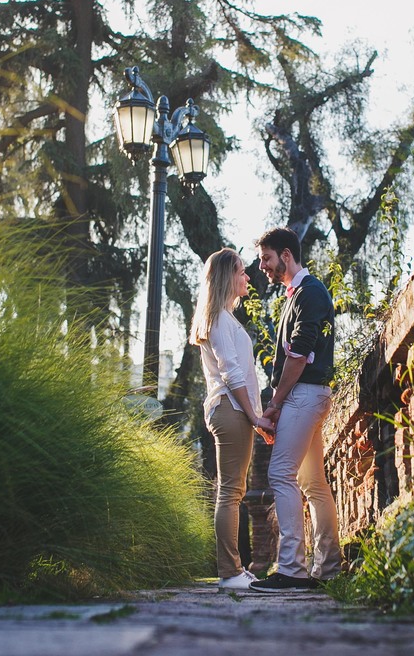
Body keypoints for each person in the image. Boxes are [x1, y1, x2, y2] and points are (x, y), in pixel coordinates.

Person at [248, 227, 342, 592]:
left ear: (286, 255)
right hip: (307, 395)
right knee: (312, 482)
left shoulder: (310, 292)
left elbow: (299, 355)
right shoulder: (297, 294)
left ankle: (291, 569)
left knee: (280, 473)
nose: (262, 266)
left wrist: (274, 405)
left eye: (266, 259)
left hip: (304, 395)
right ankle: (328, 568)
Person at [190, 247, 276, 593]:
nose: (247, 276)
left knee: (234, 490)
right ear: (228, 276)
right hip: (230, 409)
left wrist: (255, 416)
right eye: (241, 271)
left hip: (233, 409)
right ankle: (230, 573)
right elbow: (232, 373)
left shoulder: (224, 318)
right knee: (230, 492)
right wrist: (255, 416)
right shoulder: (218, 320)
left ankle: (235, 570)